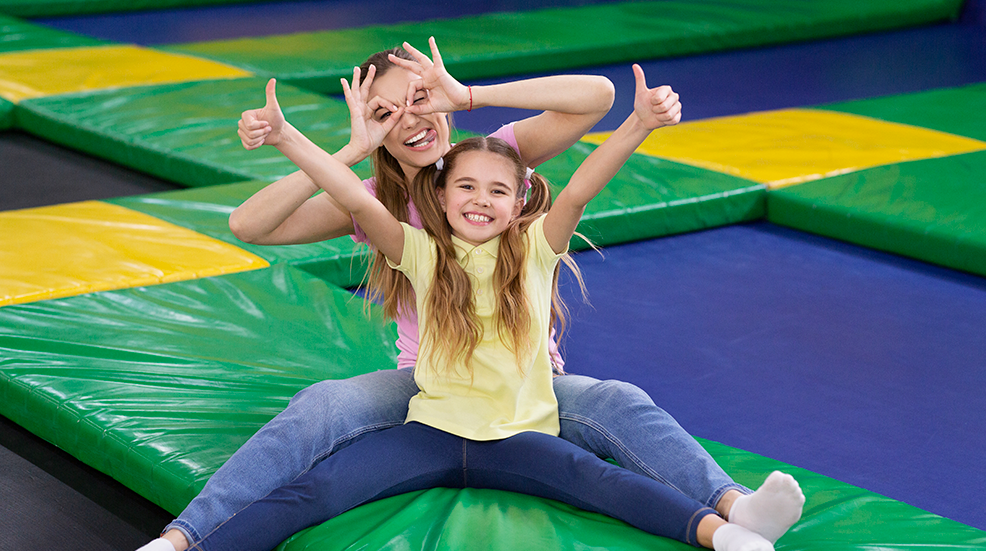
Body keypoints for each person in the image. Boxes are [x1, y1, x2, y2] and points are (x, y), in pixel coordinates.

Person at [138, 39, 803, 551]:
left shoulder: (494, 159)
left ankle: (736, 506)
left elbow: (595, 96)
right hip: (427, 385)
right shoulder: (375, 202)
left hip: (526, 382)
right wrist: (351, 145)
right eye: (385, 112)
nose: (409, 118)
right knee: (323, 405)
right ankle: (183, 535)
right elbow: (249, 224)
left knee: (619, 402)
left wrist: (468, 92)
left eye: (418, 98)